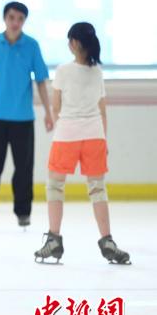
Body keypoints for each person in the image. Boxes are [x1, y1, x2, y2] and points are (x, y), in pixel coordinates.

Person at [34, 22, 131, 265]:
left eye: (70, 40)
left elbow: (56, 107)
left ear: (76, 43)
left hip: (67, 134)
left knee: (55, 186)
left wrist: (63, 126)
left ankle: (54, 239)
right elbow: (103, 109)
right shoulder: (97, 71)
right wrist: (103, 139)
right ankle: (107, 240)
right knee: (98, 189)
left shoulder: (63, 70)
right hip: (95, 134)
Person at [0, 1, 53, 230]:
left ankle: (23, 213)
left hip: (23, 118)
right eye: (12, 18)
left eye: (20, 19)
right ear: (5, 18)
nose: (15, 22)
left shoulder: (32, 45)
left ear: (24, 21)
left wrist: (49, 112)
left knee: (24, 168)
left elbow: (41, 81)